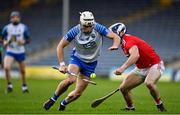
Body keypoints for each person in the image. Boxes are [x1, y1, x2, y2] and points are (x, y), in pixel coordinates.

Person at [43, 11, 120, 111]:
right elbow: (60, 46)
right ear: (80, 23)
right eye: (85, 26)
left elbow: (115, 37)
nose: (87, 29)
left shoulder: (98, 28)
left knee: (78, 93)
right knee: (70, 80)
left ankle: (63, 103)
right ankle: (53, 99)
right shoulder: (75, 31)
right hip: (77, 59)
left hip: (91, 63)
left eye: (89, 26)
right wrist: (62, 64)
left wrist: (115, 45)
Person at [109, 23, 166, 112]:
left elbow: (135, 56)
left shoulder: (128, 41)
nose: (112, 37)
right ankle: (130, 108)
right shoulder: (123, 42)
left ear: (121, 33)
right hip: (141, 68)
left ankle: (160, 106)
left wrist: (122, 68)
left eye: (114, 34)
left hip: (154, 64)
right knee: (123, 88)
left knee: (149, 83)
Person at [1, 11, 31, 93]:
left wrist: (23, 42)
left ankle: (24, 86)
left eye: (17, 17)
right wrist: (5, 42)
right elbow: (2, 38)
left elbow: (29, 39)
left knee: (23, 71)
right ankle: (9, 85)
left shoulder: (23, 27)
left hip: (20, 51)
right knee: (6, 67)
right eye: (13, 17)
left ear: (19, 18)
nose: (15, 19)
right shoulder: (7, 28)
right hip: (10, 51)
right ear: (11, 19)